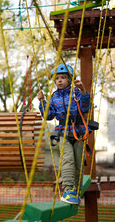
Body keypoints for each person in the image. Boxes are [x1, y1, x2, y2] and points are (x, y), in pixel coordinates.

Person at [37, 64, 91, 205]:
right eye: (57, 78)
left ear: (69, 79)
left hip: (78, 131)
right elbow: (48, 116)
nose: (59, 81)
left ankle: (77, 191)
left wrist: (83, 90)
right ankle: (68, 190)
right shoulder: (54, 97)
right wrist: (42, 102)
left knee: (79, 162)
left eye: (62, 78)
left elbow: (86, 106)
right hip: (63, 132)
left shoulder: (76, 93)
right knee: (67, 160)